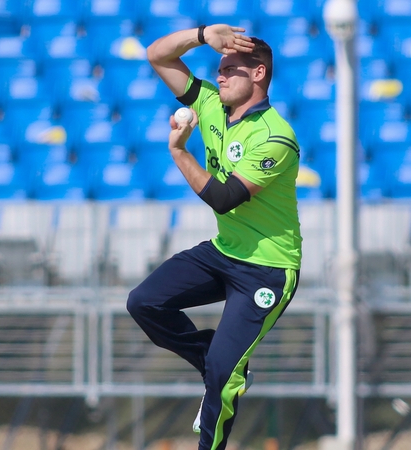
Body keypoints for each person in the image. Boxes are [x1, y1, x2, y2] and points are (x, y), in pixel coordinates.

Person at [126, 24, 302, 450]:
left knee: (224, 380)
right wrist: (204, 35)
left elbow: (225, 199)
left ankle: (220, 383)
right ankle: (215, 360)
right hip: (224, 252)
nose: (219, 76)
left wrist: (180, 152)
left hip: (268, 270)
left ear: (258, 74)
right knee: (144, 302)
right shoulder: (208, 103)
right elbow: (157, 55)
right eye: (218, 69)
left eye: (230, 69)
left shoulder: (275, 137)